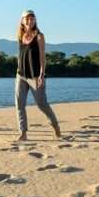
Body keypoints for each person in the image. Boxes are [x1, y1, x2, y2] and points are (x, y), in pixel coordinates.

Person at [15, 10, 61, 141]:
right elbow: (21, 55)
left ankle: (55, 125)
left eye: (32, 19)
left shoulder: (39, 36)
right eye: (27, 19)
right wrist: (18, 68)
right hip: (21, 75)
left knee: (42, 104)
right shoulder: (20, 36)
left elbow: (42, 57)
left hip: (35, 76)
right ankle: (23, 132)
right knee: (19, 104)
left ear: (35, 21)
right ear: (22, 21)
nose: (30, 21)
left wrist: (42, 74)